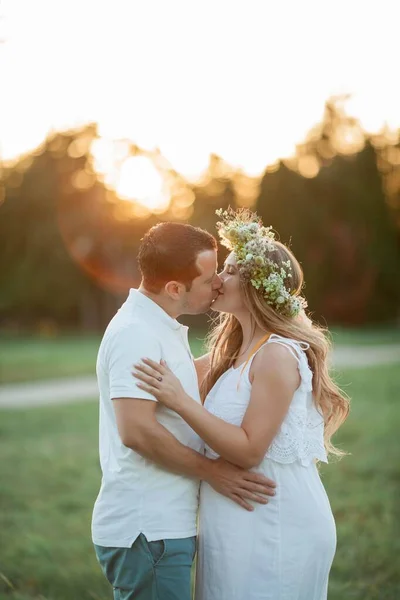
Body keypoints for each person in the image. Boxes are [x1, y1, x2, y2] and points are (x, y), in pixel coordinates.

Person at [133, 208, 350, 600]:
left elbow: (250, 450)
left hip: (276, 520)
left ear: (258, 287)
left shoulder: (277, 355)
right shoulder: (232, 353)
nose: (218, 280)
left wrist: (182, 402)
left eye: (231, 271)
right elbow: (164, 365)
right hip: (234, 523)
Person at [91, 221, 276, 600]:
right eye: (209, 279)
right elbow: (136, 431)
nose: (218, 285)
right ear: (175, 288)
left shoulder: (159, 326)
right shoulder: (136, 333)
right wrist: (213, 472)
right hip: (148, 530)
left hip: (161, 528)